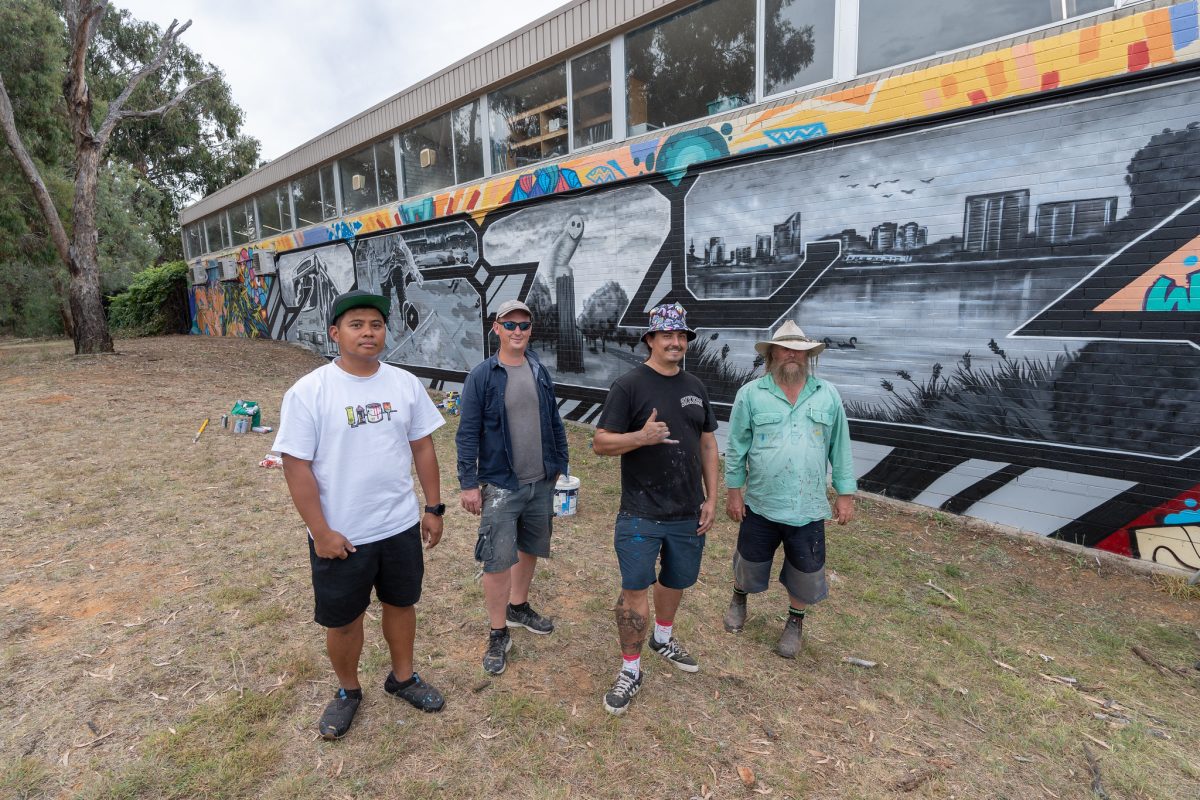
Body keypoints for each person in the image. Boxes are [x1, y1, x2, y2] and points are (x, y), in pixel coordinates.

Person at [274, 290, 448, 740]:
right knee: (344, 619)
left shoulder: (404, 384)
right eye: (356, 325)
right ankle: (349, 691)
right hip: (342, 535)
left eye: (376, 324)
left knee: (401, 604)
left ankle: (402, 677)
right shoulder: (309, 392)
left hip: (398, 525)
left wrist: (432, 507)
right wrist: (321, 531)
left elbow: (423, 447)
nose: (368, 332)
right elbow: (296, 467)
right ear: (335, 333)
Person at [592, 302, 719, 715]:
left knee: (676, 580)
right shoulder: (628, 386)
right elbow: (601, 443)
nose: (676, 342)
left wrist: (712, 497)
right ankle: (631, 669)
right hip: (641, 512)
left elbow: (707, 443)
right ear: (650, 339)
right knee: (634, 589)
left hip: (687, 511)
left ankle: (662, 639)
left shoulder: (696, 387)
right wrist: (640, 438)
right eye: (668, 335)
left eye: (682, 336)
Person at [722, 320, 856, 658]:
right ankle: (739, 600)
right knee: (749, 562)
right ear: (771, 355)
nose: (793, 354)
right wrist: (734, 491)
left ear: (809, 356)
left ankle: (795, 623)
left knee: (806, 570)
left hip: (807, 504)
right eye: (785, 348)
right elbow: (736, 447)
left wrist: (845, 493)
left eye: (800, 350)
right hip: (761, 501)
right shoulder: (751, 395)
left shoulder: (827, 395)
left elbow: (840, 446)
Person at [456, 299, 569, 676]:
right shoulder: (482, 376)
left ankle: (518, 607)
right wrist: (469, 484)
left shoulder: (538, 369)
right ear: (496, 328)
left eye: (524, 325)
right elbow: (467, 433)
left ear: (530, 330)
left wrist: (560, 464)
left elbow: (553, 419)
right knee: (497, 558)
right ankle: (497, 630)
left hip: (541, 480)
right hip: (502, 484)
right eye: (510, 324)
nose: (517, 331)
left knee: (530, 546)